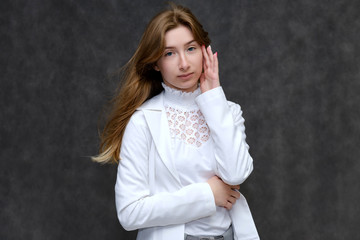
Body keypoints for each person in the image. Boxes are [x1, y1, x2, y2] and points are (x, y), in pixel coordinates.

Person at [93, 3, 259, 240]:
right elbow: (130, 213)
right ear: (155, 63)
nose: (184, 63)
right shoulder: (143, 122)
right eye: (169, 53)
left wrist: (213, 98)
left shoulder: (228, 112)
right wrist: (207, 195)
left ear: (204, 50)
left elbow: (236, 175)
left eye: (190, 48)